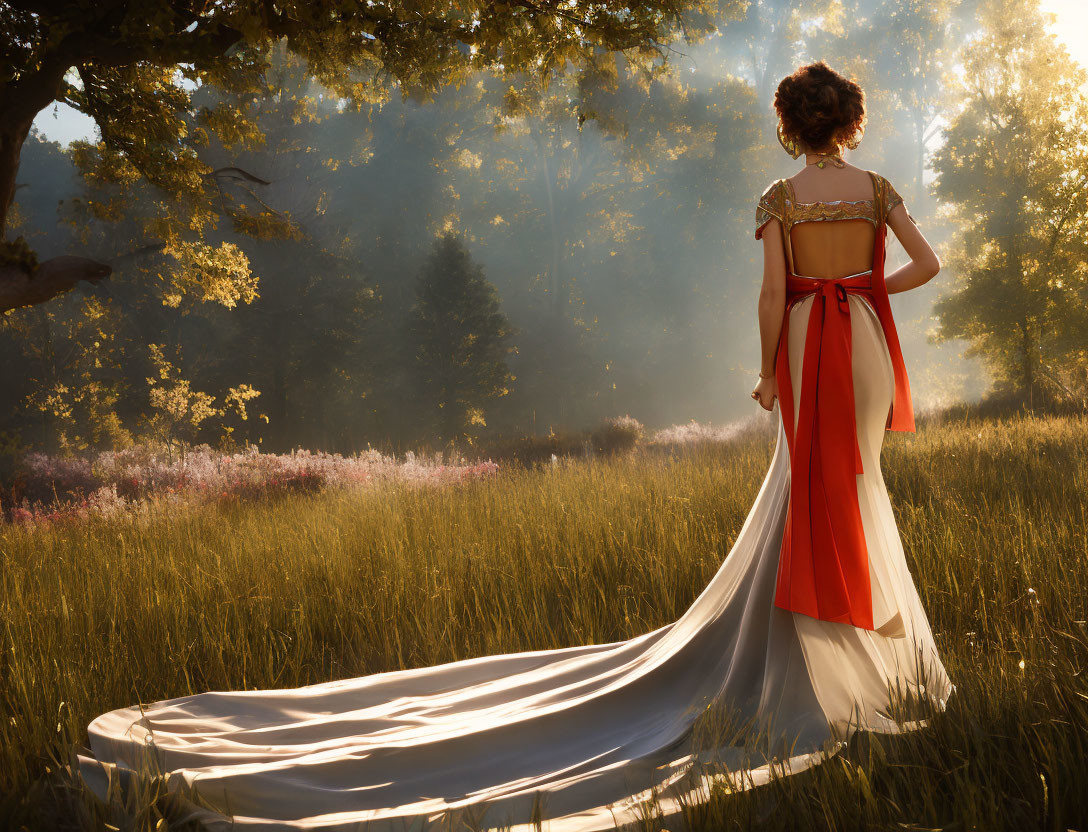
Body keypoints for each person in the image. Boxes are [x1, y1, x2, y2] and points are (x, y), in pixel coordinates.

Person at [78, 61, 953, 832]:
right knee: (858, 482)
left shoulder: (778, 199)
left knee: (808, 490)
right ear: (848, 121)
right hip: (865, 335)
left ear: (791, 124)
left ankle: (809, 668)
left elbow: (771, 296)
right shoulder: (875, 191)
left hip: (806, 335)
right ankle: (866, 668)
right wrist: (866, 288)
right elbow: (929, 266)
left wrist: (769, 368)